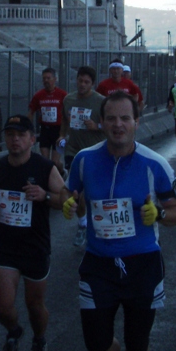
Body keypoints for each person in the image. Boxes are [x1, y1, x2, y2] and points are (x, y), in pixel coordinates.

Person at [63, 91, 176, 351]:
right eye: (111, 118)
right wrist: (70, 204)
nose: (118, 125)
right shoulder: (85, 160)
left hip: (142, 263)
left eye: (125, 118)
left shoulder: (154, 164)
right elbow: (69, 192)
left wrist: (158, 213)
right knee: (96, 343)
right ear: (101, 123)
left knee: (138, 340)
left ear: (136, 122)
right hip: (99, 263)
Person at [0, 115, 68, 351]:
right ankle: (13, 331)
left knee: (34, 305)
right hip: (7, 247)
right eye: (10, 135)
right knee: (1, 305)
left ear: (32, 140)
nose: (15, 140)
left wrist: (44, 196)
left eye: (21, 135)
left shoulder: (44, 168)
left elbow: (66, 201)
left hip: (36, 247)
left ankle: (40, 339)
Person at [58, 66, 105, 248]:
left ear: (92, 84)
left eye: (86, 82)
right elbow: (63, 120)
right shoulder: (68, 100)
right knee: (77, 191)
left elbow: (109, 125)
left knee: (89, 193)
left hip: (95, 151)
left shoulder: (101, 101)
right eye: (80, 81)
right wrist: (62, 136)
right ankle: (83, 223)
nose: (82, 85)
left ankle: (95, 223)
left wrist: (97, 127)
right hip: (73, 150)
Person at [28, 68, 68, 173]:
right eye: (44, 78)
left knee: (55, 162)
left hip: (59, 131)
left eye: (48, 78)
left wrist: (65, 132)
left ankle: (62, 172)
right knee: (45, 161)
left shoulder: (63, 95)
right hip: (45, 130)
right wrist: (29, 128)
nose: (46, 80)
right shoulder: (38, 95)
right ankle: (48, 183)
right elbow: (31, 111)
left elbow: (68, 112)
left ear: (55, 79)